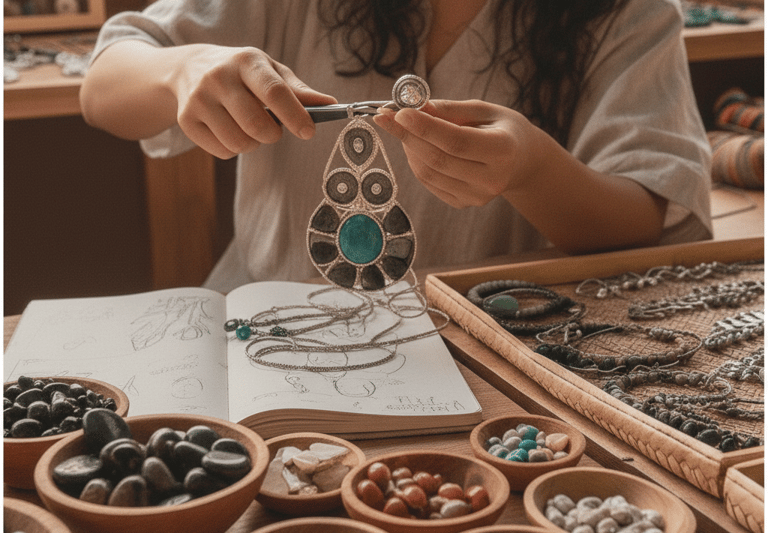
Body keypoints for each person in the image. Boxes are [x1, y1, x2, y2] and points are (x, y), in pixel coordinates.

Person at [80, 0, 712, 294]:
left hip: (490, 348)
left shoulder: (629, 15)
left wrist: (532, 170)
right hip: (264, 325)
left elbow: (645, 218)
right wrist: (182, 68)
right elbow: (104, 84)